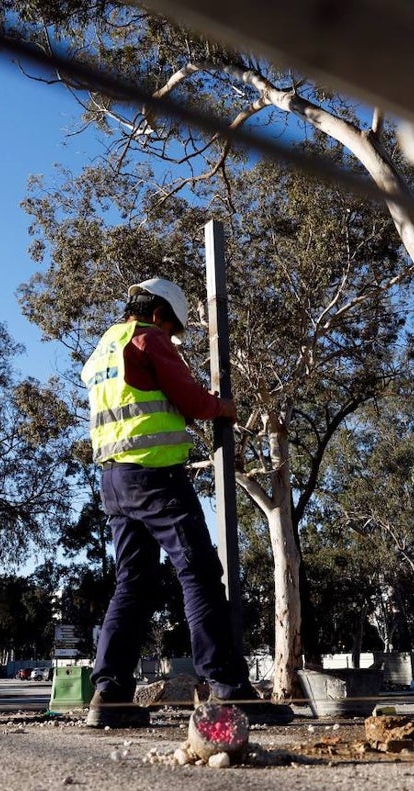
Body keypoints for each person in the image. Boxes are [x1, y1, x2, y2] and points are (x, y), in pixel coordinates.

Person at [80, 277, 293, 728]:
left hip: (114, 481)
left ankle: (109, 695)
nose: (172, 336)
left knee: (132, 584)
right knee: (198, 571)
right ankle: (230, 688)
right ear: (158, 314)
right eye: (171, 327)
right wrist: (224, 408)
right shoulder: (147, 339)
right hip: (156, 477)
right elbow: (191, 400)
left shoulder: (104, 348)